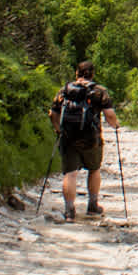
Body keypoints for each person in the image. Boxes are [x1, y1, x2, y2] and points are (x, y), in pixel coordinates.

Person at [49, 61, 121, 221]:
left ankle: (69, 211)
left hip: (68, 138)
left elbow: (53, 113)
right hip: (91, 138)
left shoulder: (65, 90)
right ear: (92, 74)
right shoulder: (99, 91)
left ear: (77, 73)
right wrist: (115, 125)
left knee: (70, 174)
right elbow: (109, 115)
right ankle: (93, 206)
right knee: (94, 169)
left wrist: (58, 130)